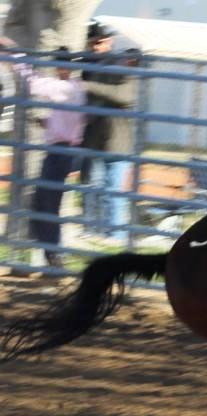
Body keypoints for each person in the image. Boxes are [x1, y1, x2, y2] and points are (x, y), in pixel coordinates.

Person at [14, 47, 87, 268]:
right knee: (44, 202)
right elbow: (72, 120)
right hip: (64, 149)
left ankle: (53, 254)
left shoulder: (62, 88)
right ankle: (49, 253)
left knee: (46, 203)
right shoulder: (76, 89)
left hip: (60, 151)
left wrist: (16, 58)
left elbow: (33, 83)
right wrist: (49, 123)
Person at [79, 20, 138, 245]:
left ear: (109, 42)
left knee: (112, 190)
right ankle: (93, 228)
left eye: (100, 42)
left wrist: (90, 87)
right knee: (92, 185)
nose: (96, 46)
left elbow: (125, 95)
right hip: (93, 136)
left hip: (117, 140)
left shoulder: (118, 67)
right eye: (93, 42)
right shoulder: (88, 66)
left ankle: (114, 234)